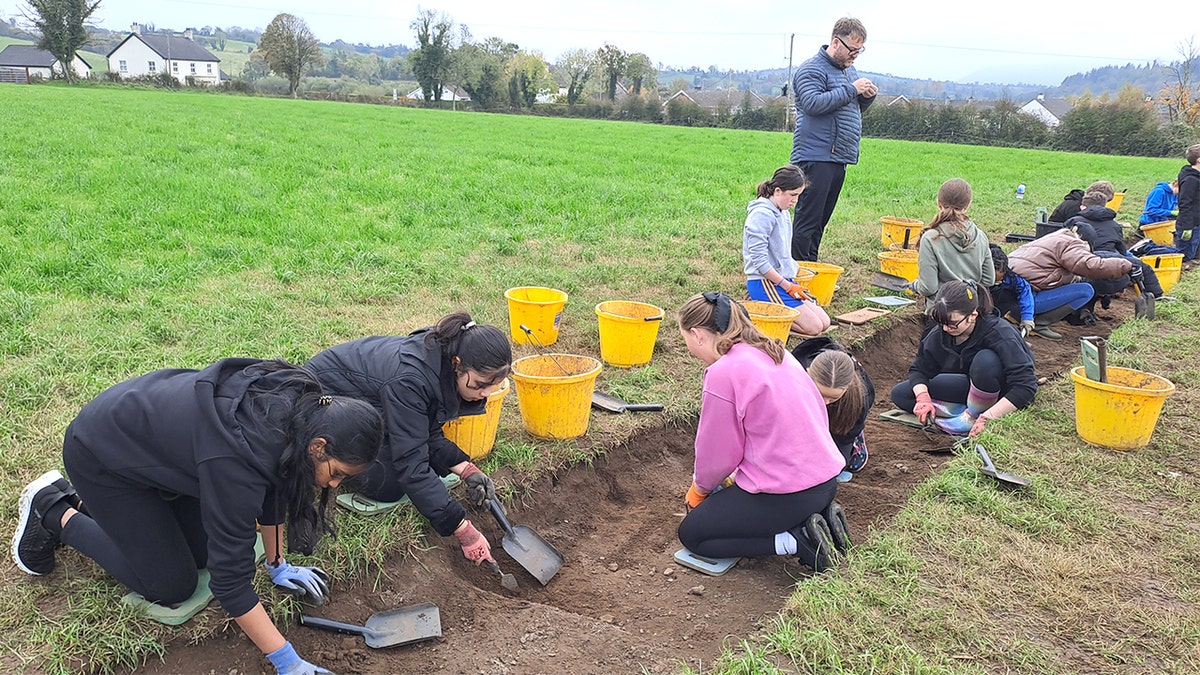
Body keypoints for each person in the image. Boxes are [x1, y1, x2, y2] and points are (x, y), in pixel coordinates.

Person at [11, 359, 384, 675]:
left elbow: (275, 489)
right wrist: (287, 660)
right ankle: (55, 509)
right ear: (318, 446)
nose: (334, 485)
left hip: (155, 452)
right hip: (101, 453)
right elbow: (230, 584)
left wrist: (276, 564)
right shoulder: (237, 462)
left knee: (204, 551)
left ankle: (105, 510)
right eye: (336, 473)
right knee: (172, 584)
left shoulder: (302, 415)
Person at [305, 312, 511, 567]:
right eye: (480, 384)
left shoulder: (441, 360)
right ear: (458, 364)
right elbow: (411, 466)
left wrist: (466, 469)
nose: (486, 393)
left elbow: (425, 428)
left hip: (366, 403)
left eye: (493, 385)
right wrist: (463, 530)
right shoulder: (411, 379)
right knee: (391, 483)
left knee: (418, 465)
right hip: (325, 401)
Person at [675, 292, 848, 572]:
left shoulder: (724, 372)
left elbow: (717, 453)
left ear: (697, 334)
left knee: (693, 534)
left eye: (685, 339)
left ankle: (795, 540)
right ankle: (818, 520)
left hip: (785, 494)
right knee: (733, 503)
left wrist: (700, 489)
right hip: (825, 483)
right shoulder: (777, 352)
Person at [890, 281, 1038, 436]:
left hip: (1002, 390)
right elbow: (919, 370)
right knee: (902, 394)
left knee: (985, 360)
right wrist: (923, 399)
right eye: (942, 323)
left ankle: (982, 414)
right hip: (971, 388)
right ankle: (969, 413)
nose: (946, 329)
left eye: (953, 324)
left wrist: (988, 418)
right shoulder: (940, 333)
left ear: (973, 315)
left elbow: (1026, 385)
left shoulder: (1001, 334)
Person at [789, 17, 877, 262]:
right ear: (836, 43)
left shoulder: (849, 71)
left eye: (860, 51)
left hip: (838, 157)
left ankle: (812, 269)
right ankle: (797, 273)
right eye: (852, 50)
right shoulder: (811, 69)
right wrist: (853, 89)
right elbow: (812, 104)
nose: (855, 56)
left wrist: (866, 97)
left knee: (820, 222)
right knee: (807, 222)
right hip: (816, 156)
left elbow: (849, 108)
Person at [743, 164, 832, 336]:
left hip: (785, 280)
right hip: (765, 282)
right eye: (792, 195)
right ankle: (755, 318)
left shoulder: (782, 211)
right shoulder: (761, 215)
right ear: (777, 191)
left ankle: (766, 314)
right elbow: (760, 262)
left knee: (825, 323)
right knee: (813, 328)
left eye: (798, 195)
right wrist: (787, 286)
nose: (795, 201)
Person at [1007, 225, 1137, 338]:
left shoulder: (1047, 240)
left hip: (1006, 297)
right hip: (1024, 301)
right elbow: (1091, 265)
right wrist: (1127, 265)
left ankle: (1017, 314)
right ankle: (1039, 323)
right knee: (1085, 291)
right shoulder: (1071, 244)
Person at [792, 338, 874, 483]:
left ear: (849, 386)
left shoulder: (862, 395)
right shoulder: (791, 375)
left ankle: (857, 442)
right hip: (800, 405)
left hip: (841, 418)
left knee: (838, 467)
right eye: (820, 394)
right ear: (807, 373)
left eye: (833, 397)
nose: (825, 402)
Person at [911, 178, 995, 309]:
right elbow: (989, 279)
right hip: (970, 312)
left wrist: (915, 285)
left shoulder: (930, 238)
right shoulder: (981, 237)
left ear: (939, 203)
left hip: (941, 312)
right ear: (967, 206)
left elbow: (928, 287)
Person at [1066, 190, 1162, 298]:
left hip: (1084, 258)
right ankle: (1157, 297)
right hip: (1109, 258)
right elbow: (1121, 249)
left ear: (1082, 207)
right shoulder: (1115, 224)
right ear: (1105, 205)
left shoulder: (1073, 221)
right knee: (1144, 267)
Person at [987, 244, 1036, 338]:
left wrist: (1027, 317)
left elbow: (1024, 290)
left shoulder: (1011, 279)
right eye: (991, 278)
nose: (994, 281)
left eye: (998, 278)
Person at [1176, 144, 1200, 268]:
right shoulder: (1191, 179)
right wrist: (1187, 227)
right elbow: (1185, 203)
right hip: (1190, 225)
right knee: (1184, 255)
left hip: (1197, 223)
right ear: (1199, 160)